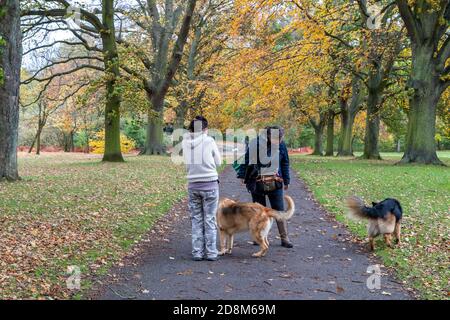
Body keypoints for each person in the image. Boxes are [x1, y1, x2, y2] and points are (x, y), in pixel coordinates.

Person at [237, 125, 293, 248]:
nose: (280, 141)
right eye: (277, 139)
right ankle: (258, 237)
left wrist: (287, 180)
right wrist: (242, 175)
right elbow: (246, 160)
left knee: (279, 210)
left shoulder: (281, 145)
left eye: (281, 139)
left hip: (275, 181)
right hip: (257, 182)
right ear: (269, 136)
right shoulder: (255, 144)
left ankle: (284, 237)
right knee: (258, 211)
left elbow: (285, 162)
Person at [182, 116, 222, 261]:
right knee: (210, 219)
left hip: (193, 184)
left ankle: (197, 252)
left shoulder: (185, 142)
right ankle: (211, 252)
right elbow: (218, 162)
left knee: (196, 219)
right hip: (210, 184)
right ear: (205, 129)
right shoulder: (209, 140)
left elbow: (186, 163)